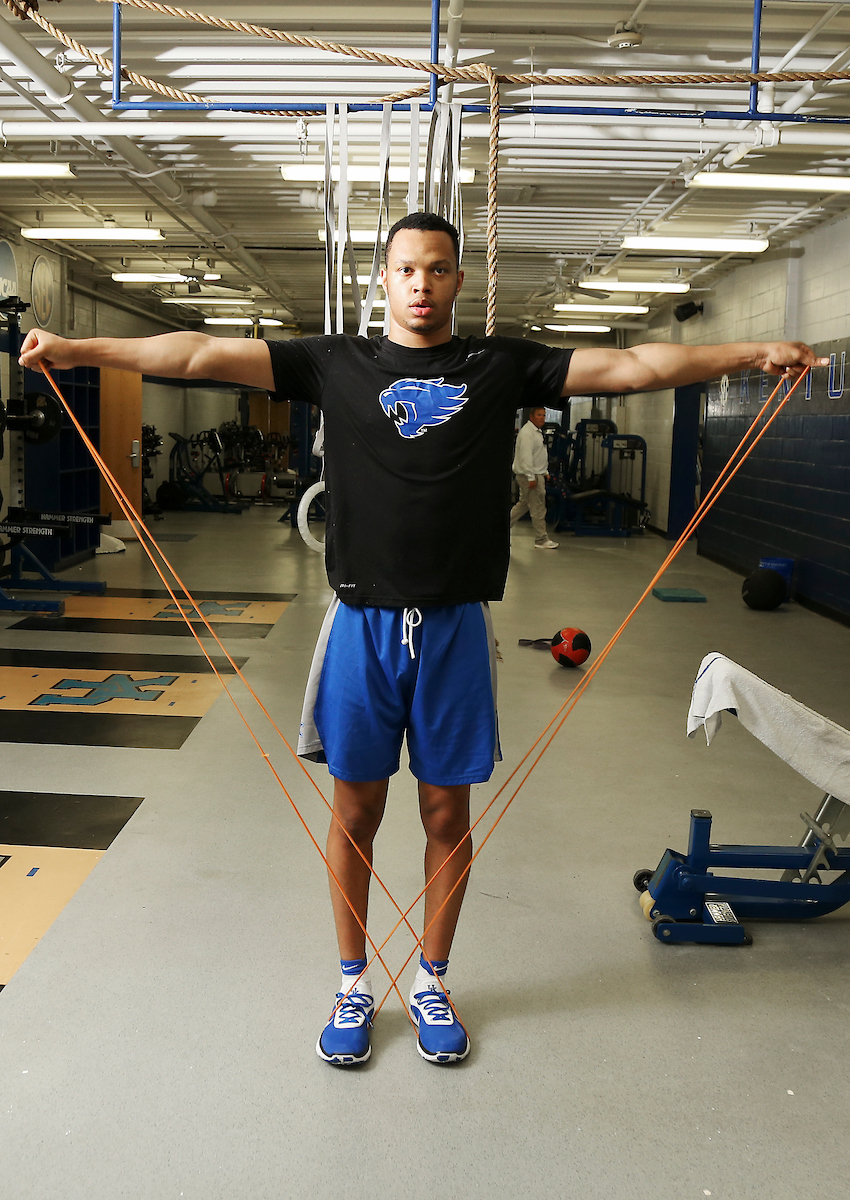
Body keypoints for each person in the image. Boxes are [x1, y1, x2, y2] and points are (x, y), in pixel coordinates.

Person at [19, 212, 828, 1069]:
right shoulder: (335, 363)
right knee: (355, 812)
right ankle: (352, 982)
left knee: (446, 813)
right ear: (385, 278)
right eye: (406, 268)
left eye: (437, 269)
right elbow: (195, 354)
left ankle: (432, 978)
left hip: (453, 627)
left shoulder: (500, 366)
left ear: (457, 281)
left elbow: (632, 368)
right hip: (362, 624)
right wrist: (76, 350)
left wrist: (750, 353)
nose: (420, 283)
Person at [510, 405, 557, 549]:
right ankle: (541, 539)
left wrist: (545, 472)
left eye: (543, 415)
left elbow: (538, 455)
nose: (542, 418)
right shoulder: (527, 433)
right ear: (531, 417)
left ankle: (498, 531)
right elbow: (526, 457)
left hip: (536, 474)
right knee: (538, 508)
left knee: (523, 505)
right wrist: (531, 477)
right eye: (539, 415)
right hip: (530, 476)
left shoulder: (537, 432)